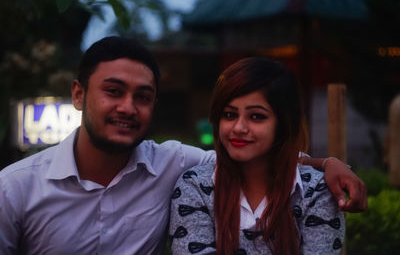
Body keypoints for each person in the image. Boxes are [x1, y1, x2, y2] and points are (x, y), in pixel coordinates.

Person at [0, 37, 364, 254]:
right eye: (113, 91)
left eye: (142, 96)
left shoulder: (174, 164)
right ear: (78, 95)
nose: (128, 107)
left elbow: (250, 154)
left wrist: (326, 163)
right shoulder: (15, 187)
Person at [170, 58, 347, 254]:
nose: (239, 128)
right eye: (229, 115)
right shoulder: (195, 187)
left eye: (256, 116)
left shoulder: (317, 191)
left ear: (283, 124)